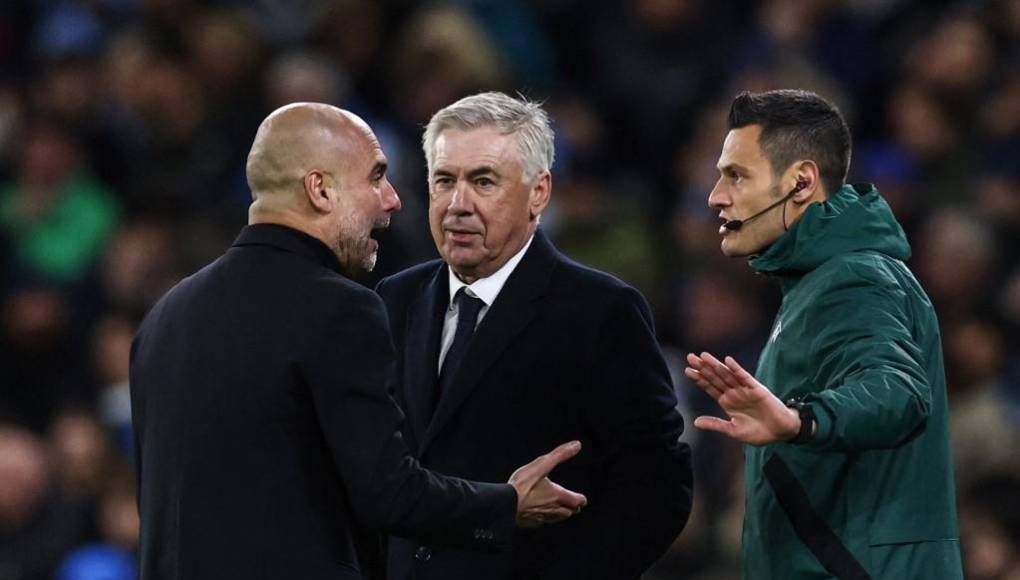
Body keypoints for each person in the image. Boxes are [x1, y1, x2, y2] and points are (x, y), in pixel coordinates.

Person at [128, 103, 588, 580]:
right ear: (320, 189)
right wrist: (506, 505)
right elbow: (388, 493)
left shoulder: (164, 317)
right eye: (376, 177)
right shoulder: (339, 309)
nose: (392, 199)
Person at [375, 92, 693, 580]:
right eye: (445, 181)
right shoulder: (395, 299)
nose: (458, 205)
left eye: (483, 181)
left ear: (539, 192)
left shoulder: (600, 311)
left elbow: (657, 488)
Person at [684, 89, 962, 579]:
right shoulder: (817, 281)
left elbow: (898, 391)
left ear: (801, 182)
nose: (715, 196)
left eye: (736, 175)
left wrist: (798, 421)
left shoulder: (853, 277)